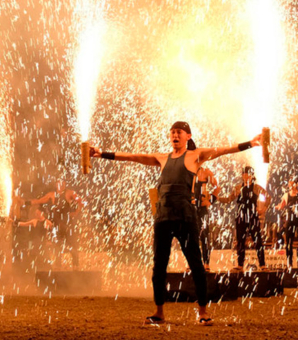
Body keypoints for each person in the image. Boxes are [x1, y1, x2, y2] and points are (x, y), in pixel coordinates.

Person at [90, 121, 262, 326]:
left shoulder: (195, 155)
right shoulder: (162, 158)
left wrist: (250, 143)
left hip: (186, 218)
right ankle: (159, 312)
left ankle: (203, 312)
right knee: (159, 267)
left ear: (187, 136)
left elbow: (223, 150)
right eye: (172, 132)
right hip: (163, 217)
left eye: (179, 132)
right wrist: (102, 154)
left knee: (196, 265)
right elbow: (133, 157)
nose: (175, 135)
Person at [221, 166, 267, 271]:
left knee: (257, 240)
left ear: (251, 175)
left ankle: (263, 264)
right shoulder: (238, 188)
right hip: (241, 216)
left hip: (252, 216)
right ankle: (240, 265)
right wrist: (216, 198)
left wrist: (263, 208)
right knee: (240, 240)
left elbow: (268, 197)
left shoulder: (256, 187)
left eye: (248, 174)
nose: (246, 176)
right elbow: (229, 199)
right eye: (244, 174)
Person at [35, 181, 83, 270]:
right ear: (56, 185)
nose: (61, 185)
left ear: (65, 185)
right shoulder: (52, 195)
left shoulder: (69, 193)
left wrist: (76, 213)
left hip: (67, 224)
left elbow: (81, 202)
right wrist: (26, 202)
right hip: (56, 225)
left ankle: (76, 267)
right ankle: (58, 268)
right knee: (56, 246)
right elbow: (39, 201)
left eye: (63, 183)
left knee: (73, 245)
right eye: (59, 183)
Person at [277, 180, 298, 269]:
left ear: (296, 184)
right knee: (288, 242)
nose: (291, 185)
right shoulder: (286, 195)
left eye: (292, 183)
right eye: (289, 183)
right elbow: (281, 206)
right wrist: (275, 206)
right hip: (290, 221)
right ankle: (289, 264)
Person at [194, 167, 217, 271]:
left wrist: (210, 201)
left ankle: (206, 263)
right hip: (191, 207)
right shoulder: (187, 170)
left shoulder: (206, 172)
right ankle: (192, 263)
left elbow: (217, 187)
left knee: (204, 236)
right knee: (191, 237)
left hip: (202, 208)